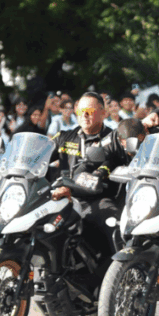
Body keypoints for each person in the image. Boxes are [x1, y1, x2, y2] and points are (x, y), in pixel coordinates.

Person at [50, 92, 130, 273]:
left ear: (103, 113)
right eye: (81, 111)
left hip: (101, 200)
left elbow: (131, 162)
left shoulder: (114, 139)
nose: (84, 115)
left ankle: (125, 275)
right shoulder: (64, 137)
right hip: (65, 199)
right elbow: (39, 154)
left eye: (90, 111)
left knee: (114, 223)